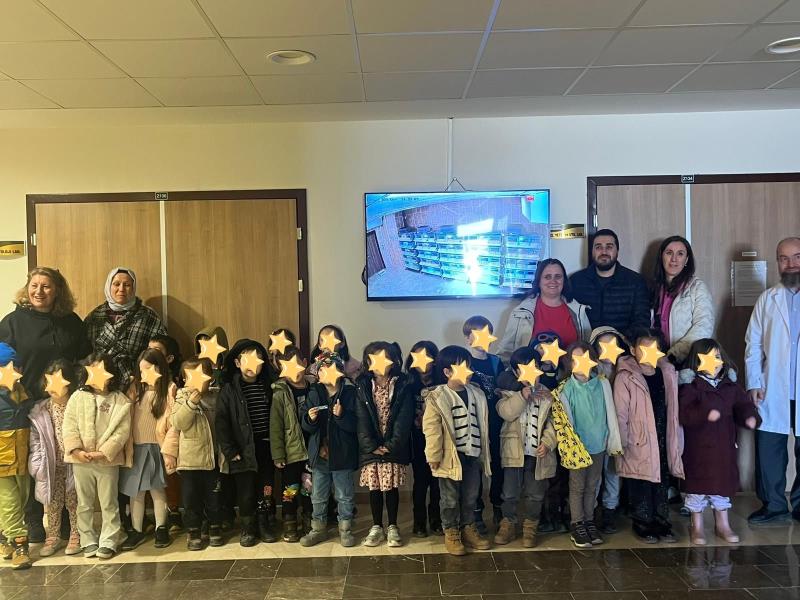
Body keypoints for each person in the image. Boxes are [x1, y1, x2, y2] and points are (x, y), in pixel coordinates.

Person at [0, 266, 91, 542]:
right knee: (35, 462)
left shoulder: (71, 322)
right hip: (25, 405)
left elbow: (85, 359)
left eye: (46, 286)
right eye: (34, 285)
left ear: (58, 291)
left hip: (63, 403)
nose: (39, 291)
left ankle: (62, 520)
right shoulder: (12, 322)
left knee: (63, 462)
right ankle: (33, 520)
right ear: (27, 288)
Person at [679, 339, 760, 545]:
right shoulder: (691, 387)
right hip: (698, 449)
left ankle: (722, 524)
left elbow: (743, 406)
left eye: (717, 357)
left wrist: (749, 417)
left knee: (722, 487)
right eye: (708, 357)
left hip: (724, 448)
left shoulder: (730, 387)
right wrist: (704, 414)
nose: (714, 362)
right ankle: (696, 525)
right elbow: (684, 414)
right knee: (697, 488)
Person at [745, 237, 800, 525]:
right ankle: (774, 505)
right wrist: (754, 382)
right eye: (783, 258)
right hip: (772, 387)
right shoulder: (767, 299)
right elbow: (753, 344)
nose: (791, 264)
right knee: (769, 448)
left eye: (797, 256)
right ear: (777, 262)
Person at [614, 329, 684, 543]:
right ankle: (643, 522)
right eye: (643, 348)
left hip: (662, 436)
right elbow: (620, 413)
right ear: (633, 350)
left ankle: (662, 520)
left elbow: (673, 408)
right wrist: (621, 441)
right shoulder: (626, 376)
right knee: (641, 481)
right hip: (639, 439)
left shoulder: (666, 372)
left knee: (661, 481)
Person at [422, 346, 492, 556]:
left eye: (469, 367)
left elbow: (482, 423)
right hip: (450, 456)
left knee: (471, 496)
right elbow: (432, 429)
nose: (468, 371)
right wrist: (433, 455)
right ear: (447, 372)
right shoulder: (437, 396)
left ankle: (468, 527)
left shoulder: (476, 393)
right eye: (462, 367)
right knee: (450, 498)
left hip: (473, 454)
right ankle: (451, 531)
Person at [552, 342, 622, 548]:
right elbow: (565, 421)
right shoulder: (566, 389)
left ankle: (589, 521)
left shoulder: (602, 383)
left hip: (598, 444)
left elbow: (609, 413)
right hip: (577, 448)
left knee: (592, 485)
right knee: (577, 486)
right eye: (575, 359)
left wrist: (611, 440)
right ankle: (577, 524)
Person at [63, 354, 132, 560]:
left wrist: (103, 452)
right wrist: (76, 450)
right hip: (81, 460)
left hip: (107, 461)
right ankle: (87, 539)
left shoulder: (119, 400)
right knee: (84, 503)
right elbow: (69, 425)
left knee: (109, 502)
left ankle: (109, 539)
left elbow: (122, 432)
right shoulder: (77, 397)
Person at [494, 346, 556, 548]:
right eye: (524, 368)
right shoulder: (507, 393)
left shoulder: (548, 395)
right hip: (514, 452)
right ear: (515, 372)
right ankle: (508, 523)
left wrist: (548, 442)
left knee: (535, 493)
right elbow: (506, 412)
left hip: (538, 455)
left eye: (534, 367)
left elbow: (554, 423)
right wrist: (522, 395)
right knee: (509, 492)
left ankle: (531, 525)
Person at [216, 339, 277, 546]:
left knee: (266, 487)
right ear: (237, 363)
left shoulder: (269, 387)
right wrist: (230, 450)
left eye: (257, 359)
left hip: (266, 446)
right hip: (242, 449)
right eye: (247, 360)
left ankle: (264, 522)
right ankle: (248, 527)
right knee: (246, 491)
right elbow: (222, 423)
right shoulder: (229, 390)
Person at [355, 341, 414, 548]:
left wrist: (391, 445)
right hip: (371, 447)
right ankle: (376, 526)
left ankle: (393, 526)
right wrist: (371, 445)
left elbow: (404, 418)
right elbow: (361, 418)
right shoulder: (362, 385)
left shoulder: (402, 384)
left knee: (391, 487)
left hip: (392, 446)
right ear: (368, 362)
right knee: (375, 487)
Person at [299, 355, 359, 548]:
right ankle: (318, 529)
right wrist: (310, 419)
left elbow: (356, 426)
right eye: (321, 369)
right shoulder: (314, 392)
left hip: (342, 454)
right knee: (318, 495)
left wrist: (341, 416)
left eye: (328, 368)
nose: (323, 372)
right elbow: (306, 426)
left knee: (344, 494)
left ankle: (345, 529)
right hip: (320, 455)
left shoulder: (350, 393)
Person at [118, 348, 174, 550]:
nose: (144, 373)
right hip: (136, 448)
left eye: (149, 368)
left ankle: (161, 528)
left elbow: (171, 419)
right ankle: (136, 530)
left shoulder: (168, 389)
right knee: (136, 492)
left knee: (157, 489)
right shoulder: (135, 390)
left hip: (157, 447)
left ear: (159, 368)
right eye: (141, 370)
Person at [28, 359, 81, 557]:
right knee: (52, 502)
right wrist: (37, 464)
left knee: (74, 500)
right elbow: (35, 440)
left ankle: (76, 534)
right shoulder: (42, 410)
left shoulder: (77, 404)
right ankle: (53, 535)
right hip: (51, 464)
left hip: (75, 461)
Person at [171, 358, 223, 550]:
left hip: (212, 458)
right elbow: (178, 423)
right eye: (190, 377)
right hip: (190, 461)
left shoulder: (216, 397)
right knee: (191, 500)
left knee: (214, 497)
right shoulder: (181, 397)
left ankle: (214, 527)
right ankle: (193, 530)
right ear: (184, 379)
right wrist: (192, 403)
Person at [496, 258, 592, 362]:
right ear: (539, 281)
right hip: (531, 372)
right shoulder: (521, 312)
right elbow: (506, 352)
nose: (553, 281)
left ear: (564, 280)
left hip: (571, 372)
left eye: (558, 276)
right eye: (547, 277)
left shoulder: (579, 311)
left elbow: (588, 350)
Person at [85, 267, 166, 385]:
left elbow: (159, 352)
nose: (121, 289)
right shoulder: (95, 316)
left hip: (136, 380)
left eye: (127, 285)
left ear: (133, 288)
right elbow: (83, 350)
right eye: (116, 284)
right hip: (99, 381)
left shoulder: (148, 316)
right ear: (109, 286)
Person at [462, 315, 504, 531]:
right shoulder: (463, 362)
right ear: (468, 338)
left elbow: (505, 387)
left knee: (497, 465)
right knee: (475, 467)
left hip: (496, 422)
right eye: (476, 334)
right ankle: (476, 510)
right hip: (473, 423)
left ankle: (498, 506)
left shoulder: (496, 362)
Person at [570, 229, 651, 338]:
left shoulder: (636, 282)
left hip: (623, 346)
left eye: (609, 247)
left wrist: (618, 342)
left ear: (617, 251)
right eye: (598, 247)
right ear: (592, 251)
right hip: (586, 346)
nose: (604, 252)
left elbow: (642, 322)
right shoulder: (576, 281)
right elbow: (569, 318)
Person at [589, 326, 630, 534]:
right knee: (594, 474)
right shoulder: (590, 372)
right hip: (596, 431)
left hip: (618, 431)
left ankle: (610, 510)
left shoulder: (625, 371)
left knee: (613, 472)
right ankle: (591, 510)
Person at [651, 236, 714, 365]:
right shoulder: (652, 288)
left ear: (686, 260)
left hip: (687, 360)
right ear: (661, 257)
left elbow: (703, 326)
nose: (674, 259)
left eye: (680, 254)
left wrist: (675, 355)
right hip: (655, 360)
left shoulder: (697, 287)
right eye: (669, 253)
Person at [269, 345, 311, 542]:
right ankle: (290, 522)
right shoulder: (280, 393)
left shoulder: (314, 388)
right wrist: (278, 454)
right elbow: (275, 426)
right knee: (290, 490)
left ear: (305, 363)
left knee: (309, 488)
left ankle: (309, 519)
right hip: (291, 452)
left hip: (311, 450)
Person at [0, 343, 35, 569]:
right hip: (2, 460)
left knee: (21, 499)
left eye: (17, 367)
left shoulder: (24, 393)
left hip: (22, 459)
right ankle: (20, 543)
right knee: (9, 501)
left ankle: (4, 536)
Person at [405, 340, 441, 537]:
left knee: (437, 483)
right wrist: (415, 419)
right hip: (417, 440)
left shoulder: (441, 382)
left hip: (438, 439)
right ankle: (419, 522)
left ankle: (436, 519)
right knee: (420, 482)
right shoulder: (408, 383)